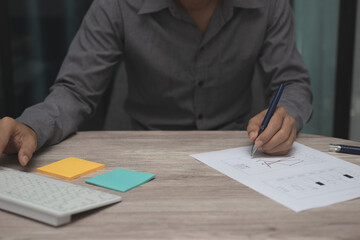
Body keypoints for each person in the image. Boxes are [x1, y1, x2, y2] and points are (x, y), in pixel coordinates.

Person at [0, 0, 313, 166]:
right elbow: (75, 90)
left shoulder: (269, 4)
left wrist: (288, 114)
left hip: (240, 153)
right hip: (146, 154)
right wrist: (32, 127)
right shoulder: (116, 6)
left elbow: (292, 80)